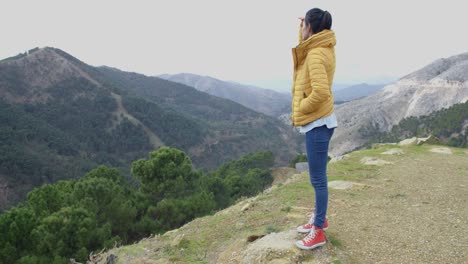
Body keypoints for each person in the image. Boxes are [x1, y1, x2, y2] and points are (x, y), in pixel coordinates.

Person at [291, 7, 337, 250]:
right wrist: (302, 32)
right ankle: (321, 219)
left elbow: (320, 92)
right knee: (318, 178)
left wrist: (301, 106)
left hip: (317, 122)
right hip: (321, 121)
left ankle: (318, 230)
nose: (302, 29)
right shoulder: (322, 47)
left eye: (304, 25)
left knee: (318, 179)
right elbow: (304, 53)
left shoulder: (317, 54)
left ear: (311, 27)